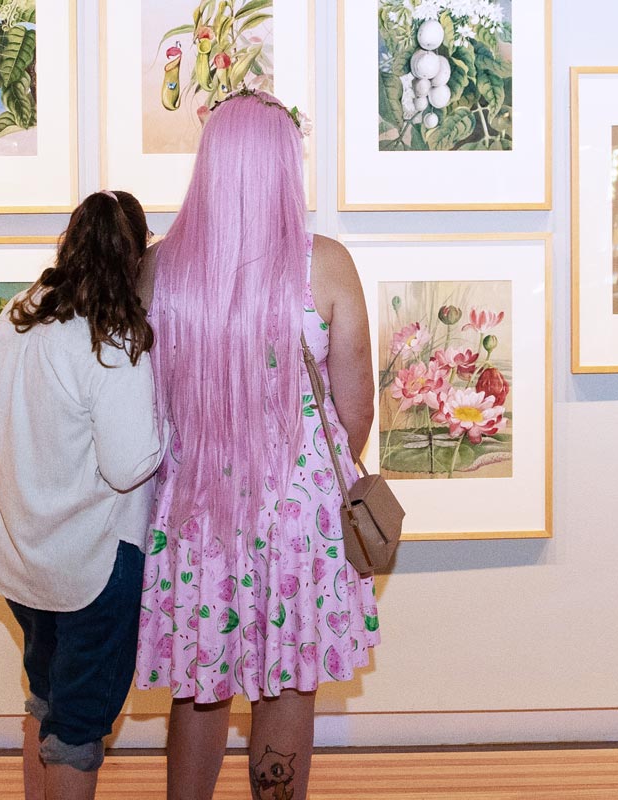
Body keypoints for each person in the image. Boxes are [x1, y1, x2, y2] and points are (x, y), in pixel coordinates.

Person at [134, 92, 381, 800]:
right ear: (282, 167)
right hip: (297, 516)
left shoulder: (159, 270)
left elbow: (143, 407)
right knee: (288, 679)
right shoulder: (325, 266)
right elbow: (355, 415)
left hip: (195, 514)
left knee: (200, 683)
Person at [0, 190, 167, 800]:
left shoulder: (15, 316)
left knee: (45, 700)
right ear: (135, 254)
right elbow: (127, 465)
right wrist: (170, 421)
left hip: (22, 559)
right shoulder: (111, 341)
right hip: (91, 565)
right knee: (79, 730)